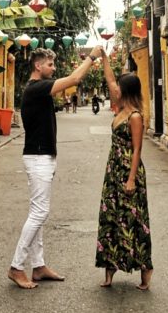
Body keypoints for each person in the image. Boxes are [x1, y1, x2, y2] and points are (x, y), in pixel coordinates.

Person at [8, 44, 104, 290]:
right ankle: (16, 267)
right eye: (49, 65)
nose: (53, 68)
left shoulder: (39, 90)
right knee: (39, 213)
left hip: (42, 157)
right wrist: (92, 57)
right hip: (38, 158)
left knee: (37, 213)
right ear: (38, 66)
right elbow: (75, 78)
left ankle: (38, 266)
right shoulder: (37, 88)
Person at [95, 50, 153, 291]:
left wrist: (131, 180)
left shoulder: (135, 116)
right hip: (113, 171)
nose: (114, 89)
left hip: (130, 171)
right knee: (110, 220)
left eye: (119, 87)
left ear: (126, 91)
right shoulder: (119, 109)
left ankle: (145, 274)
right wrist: (104, 58)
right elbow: (109, 79)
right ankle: (109, 273)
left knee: (134, 220)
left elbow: (138, 150)